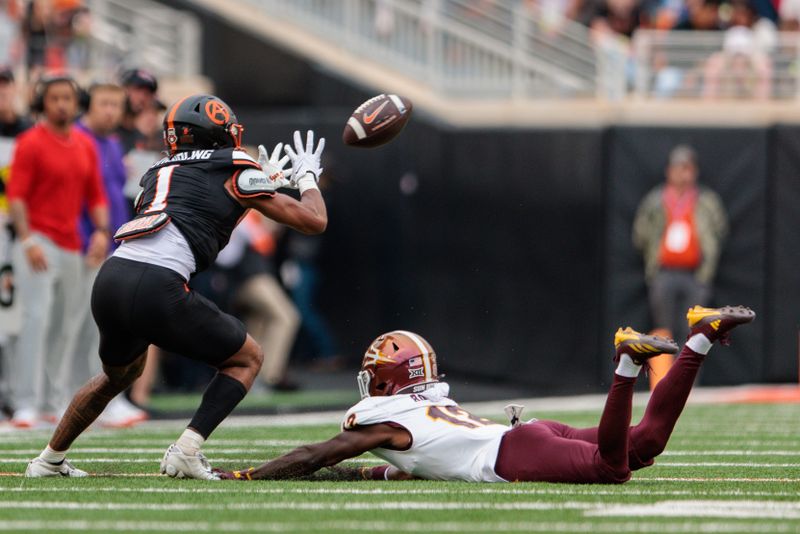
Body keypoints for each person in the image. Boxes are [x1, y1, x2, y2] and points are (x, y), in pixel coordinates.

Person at [24, 93, 328, 480]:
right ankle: (186, 449)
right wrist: (306, 179)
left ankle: (48, 459)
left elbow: (199, 211)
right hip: (157, 284)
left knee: (116, 376)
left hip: (112, 280)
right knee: (247, 358)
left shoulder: (158, 171)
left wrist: (257, 187)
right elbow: (314, 220)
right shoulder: (236, 168)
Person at [216, 305, 754, 483]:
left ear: (386, 379)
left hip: (517, 450)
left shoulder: (381, 422)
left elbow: (318, 453)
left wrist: (248, 474)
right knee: (647, 444)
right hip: (526, 436)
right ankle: (701, 335)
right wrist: (369, 472)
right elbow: (421, 458)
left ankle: (624, 364)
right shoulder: (423, 408)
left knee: (615, 468)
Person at [6, 73, 109, 428]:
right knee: (36, 320)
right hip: (38, 241)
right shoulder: (30, 142)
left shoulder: (85, 145)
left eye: (67, 97)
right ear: (43, 104)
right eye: (54, 98)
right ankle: (25, 402)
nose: (62, 104)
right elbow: (16, 196)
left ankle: (53, 400)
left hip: (73, 245)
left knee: (66, 325)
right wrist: (28, 240)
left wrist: (101, 232)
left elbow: (96, 196)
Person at [71, 80, 146, 427]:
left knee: (103, 327)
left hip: (114, 244)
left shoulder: (113, 143)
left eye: (116, 105)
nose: (111, 111)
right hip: (85, 243)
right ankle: (77, 398)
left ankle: (102, 398)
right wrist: (91, 237)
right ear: (88, 104)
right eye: (103, 103)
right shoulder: (76, 139)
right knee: (81, 327)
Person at [632, 144, 728, 387]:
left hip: (695, 275)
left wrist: (706, 268)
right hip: (664, 273)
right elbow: (640, 233)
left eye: (687, 169)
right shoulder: (656, 200)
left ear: (694, 171)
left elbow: (720, 230)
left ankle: (688, 386)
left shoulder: (705, 201)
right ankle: (662, 385)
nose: (682, 174)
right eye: (678, 168)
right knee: (663, 330)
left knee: (695, 332)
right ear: (669, 171)